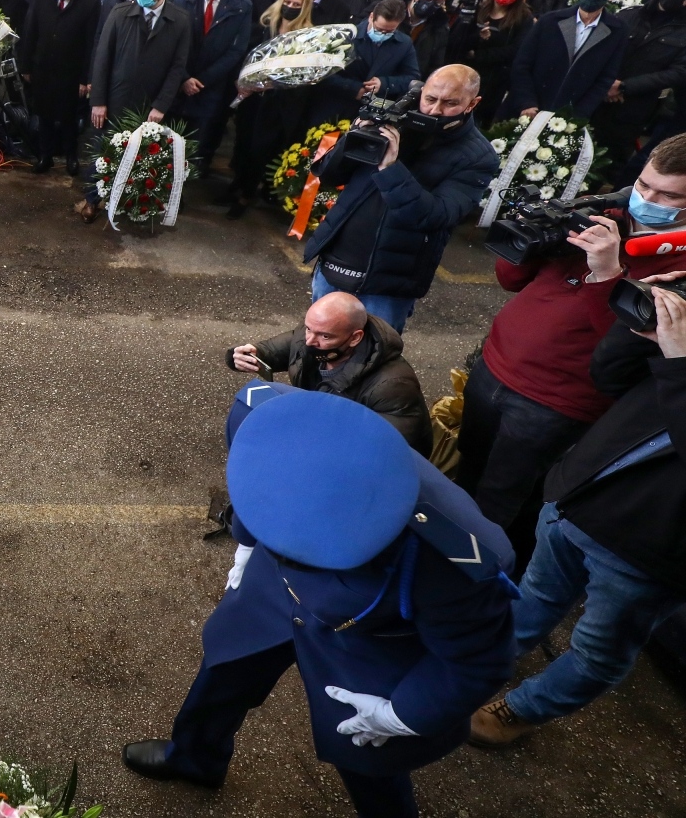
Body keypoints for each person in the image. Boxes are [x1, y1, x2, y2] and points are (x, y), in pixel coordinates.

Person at [125, 391, 516, 818]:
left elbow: (477, 661)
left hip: (368, 639)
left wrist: (401, 715)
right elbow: (255, 475)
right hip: (272, 590)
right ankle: (193, 759)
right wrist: (247, 543)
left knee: (367, 755)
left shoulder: (451, 560)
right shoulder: (262, 413)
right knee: (222, 674)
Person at [470, 282, 686, 748]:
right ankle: (483, 662)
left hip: (650, 546)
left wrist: (680, 363)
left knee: (597, 652)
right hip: (580, 495)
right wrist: (641, 322)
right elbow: (609, 375)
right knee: (535, 596)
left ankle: (521, 710)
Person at [455, 135, 686, 568]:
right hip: (494, 368)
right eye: (643, 184)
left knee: (502, 501)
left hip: (556, 403)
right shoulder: (603, 212)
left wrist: (609, 275)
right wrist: (531, 232)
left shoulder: (679, 266)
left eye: (668, 195)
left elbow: (619, 355)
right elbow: (510, 278)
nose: (647, 198)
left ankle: (475, 581)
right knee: (467, 470)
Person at [303, 65, 498, 333]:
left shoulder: (479, 157)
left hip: (389, 282)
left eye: (450, 103)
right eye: (430, 99)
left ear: (472, 103)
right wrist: (355, 136)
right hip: (335, 261)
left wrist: (390, 168)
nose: (435, 110)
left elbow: (436, 216)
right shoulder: (395, 119)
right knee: (318, 344)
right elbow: (328, 173)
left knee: (369, 363)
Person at [227, 292, 430, 453]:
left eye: (325, 336)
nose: (309, 341)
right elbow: (267, 352)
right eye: (308, 329)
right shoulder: (311, 337)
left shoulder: (393, 384)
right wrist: (241, 356)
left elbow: (389, 445)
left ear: (355, 338)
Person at [77, 0, 191, 222]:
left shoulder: (180, 20)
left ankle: (128, 202)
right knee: (102, 152)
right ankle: (92, 199)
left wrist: (161, 105)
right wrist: (98, 101)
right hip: (116, 99)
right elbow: (102, 58)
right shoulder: (120, 13)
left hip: (150, 104)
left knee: (142, 156)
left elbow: (177, 68)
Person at [227, 0, 315, 218]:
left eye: (297, 5)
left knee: (260, 150)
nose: (291, 8)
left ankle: (246, 194)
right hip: (252, 98)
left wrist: (274, 84)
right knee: (242, 143)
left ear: (304, 9)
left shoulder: (305, 39)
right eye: (288, 3)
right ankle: (236, 184)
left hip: (276, 105)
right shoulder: (266, 27)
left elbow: (302, 79)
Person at [593, 0, 686, 177]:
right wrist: (606, 81)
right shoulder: (630, 15)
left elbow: (679, 72)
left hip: (633, 104)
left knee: (607, 162)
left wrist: (625, 87)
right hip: (597, 94)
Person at [170, 0, 252, 171]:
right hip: (179, 84)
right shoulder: (182, 0)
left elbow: (236, 51)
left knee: (196, 147)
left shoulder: (241, 7)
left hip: (211, 88)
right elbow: (173, 43)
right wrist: (186, 78)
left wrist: (202, 80)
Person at [506, 0, 628, 120]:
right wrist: (527, 101)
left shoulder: (616, 30)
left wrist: (579, 115)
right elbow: (522, 64)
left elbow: (605, 77)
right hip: (528, 106)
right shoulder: (550, 21)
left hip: (569, 112)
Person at [18, 0, 100, 175]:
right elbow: (31, 31)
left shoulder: (90, 2)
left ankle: (71, 158)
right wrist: (26, 66)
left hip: (71, 72)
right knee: (43, 114)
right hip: (43, 68)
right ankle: (45, 156)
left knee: (68, 119)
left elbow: (91, 43)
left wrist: (86, 78)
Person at [315, 0, 422, 127]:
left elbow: (412, 78)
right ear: (371, 17)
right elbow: (322, 73)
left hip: (370, 115)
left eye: (389, 31)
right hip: (334, 107)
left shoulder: (404, 44)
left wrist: (384, 83)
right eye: (378, 29)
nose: (383, 34)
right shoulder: (346, 35)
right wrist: (354, 89)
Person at [447, 0, 534, 126]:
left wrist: (478, 55)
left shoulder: (523, 17)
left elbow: (515, 50)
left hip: (493, 81)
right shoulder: (478, 7)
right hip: (464, 73)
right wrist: (477, 37)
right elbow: (457, 40)